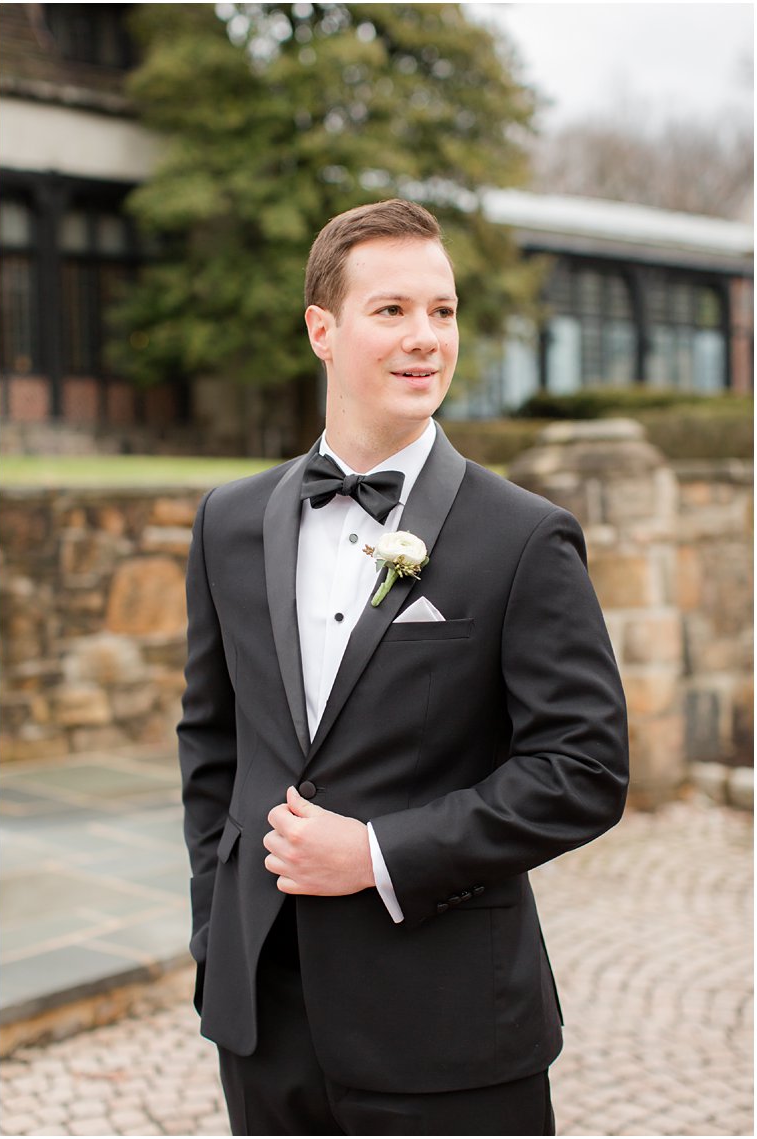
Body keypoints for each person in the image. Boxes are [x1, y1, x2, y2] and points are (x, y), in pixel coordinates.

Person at [178, 198, 629, 1135]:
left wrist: (377, 854)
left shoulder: (523, 537)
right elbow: (211, 745)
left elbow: (583, 772)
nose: (426, 338)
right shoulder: (229, 521)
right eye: (392, 311)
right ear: (322, 330)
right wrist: (215, 936)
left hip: (449, 1024)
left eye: (444, 311)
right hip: (265, 1022)